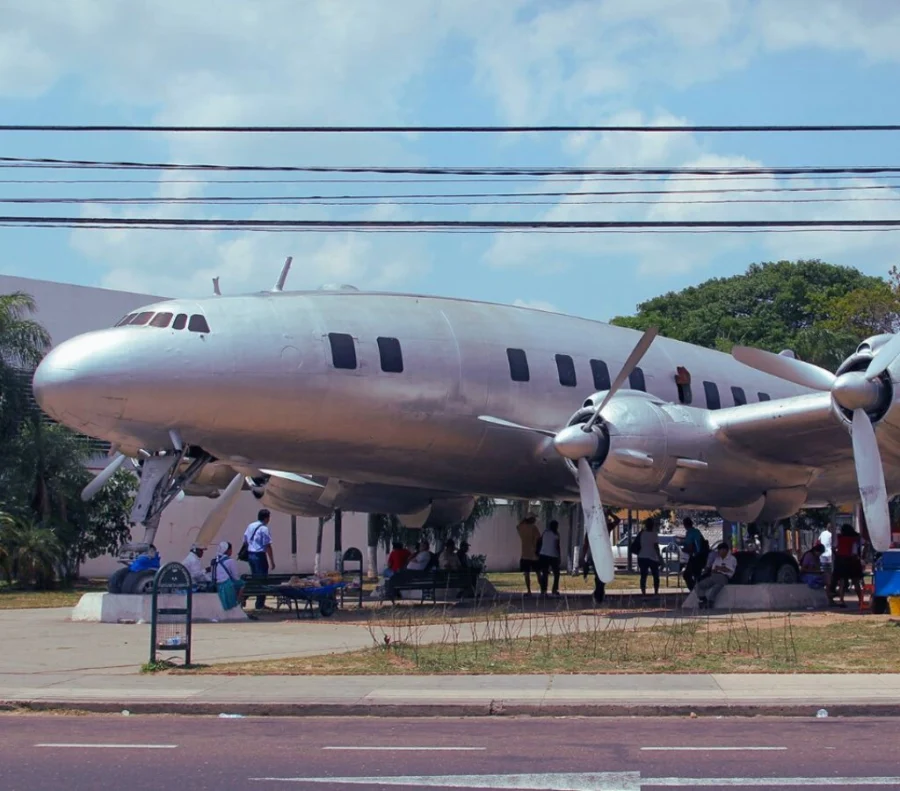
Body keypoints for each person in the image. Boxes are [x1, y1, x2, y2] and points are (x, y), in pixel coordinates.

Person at [243, 508, 275, 611]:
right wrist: (272, 561)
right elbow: (267, 546)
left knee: (255, 578)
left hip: (251, 555)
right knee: (262, 580)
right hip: (260, 556)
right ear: (266, 518)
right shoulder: (264, 529)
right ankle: (259, 604)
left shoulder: (250, 526)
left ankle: (246, 598)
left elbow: (245, 541)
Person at [829, 524, 865, 609]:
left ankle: (841, 600)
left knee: (842, 581)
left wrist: (837, 555)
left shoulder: (839, 538)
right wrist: (863, 555)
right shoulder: (857, 537)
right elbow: (865, 544)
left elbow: (833, 548)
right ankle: (860, 600)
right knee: (856, 581)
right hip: (854, 560)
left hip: (842, 560)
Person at [695, 542, 737, 609]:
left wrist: (719, 568)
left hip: (723, 577)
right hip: (714, 576)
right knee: (699, 585)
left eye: (720, 550)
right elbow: (713, 569)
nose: (719, 552)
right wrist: (719, 569)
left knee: (715, 588)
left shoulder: (732, 559)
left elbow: (729, 570)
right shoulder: (718, 558)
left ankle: (710, 602)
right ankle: (703, 599)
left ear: (725, 550)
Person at [211, 541, 245, 612]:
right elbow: (236, 577)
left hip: (217, 585)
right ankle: (238, 604)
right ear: (227, 550)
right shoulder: (230, 561)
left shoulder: (214, 561)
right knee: (242, 584)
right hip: (227, 585)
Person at [681, 517, 709, 592]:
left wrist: (683, 549)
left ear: (685, 525)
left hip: (695, 557)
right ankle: (699, 590)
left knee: (686, 575)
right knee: (697, 575)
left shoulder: (689, 533)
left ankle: (694, 590)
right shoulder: (697, 531)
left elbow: (690, 547)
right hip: (702, 556)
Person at [636, 517, 662, 596]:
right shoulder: (654, 534)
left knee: (643, 575)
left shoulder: (642, 533)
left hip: (642, 556)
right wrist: (660, 558)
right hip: (652, 557)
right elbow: (656, 547)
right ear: (653, 525)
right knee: (655, 575)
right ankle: (656, 592)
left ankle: (643, 593)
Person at [517, 514, 541, 597]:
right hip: (534, 554)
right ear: (531, 520)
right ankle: (542, 590)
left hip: (525, 554)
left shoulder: (522, 528)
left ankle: (529, 591)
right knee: (538, 572)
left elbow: (518, 526)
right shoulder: (534, 528)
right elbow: (538, 538)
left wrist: (524, 519)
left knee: (526, 573)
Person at [537, 520, 562, 596]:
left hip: (543, 555)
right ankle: (554, 589)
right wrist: (559, 556)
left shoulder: (545, 532)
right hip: (553, 555)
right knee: (556, 573)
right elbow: (557, 546)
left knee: (545, 573)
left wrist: (539, 552)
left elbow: (540, 542)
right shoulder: (556, 534)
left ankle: (543, 591)